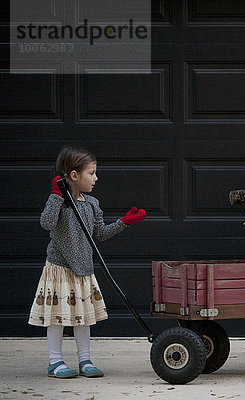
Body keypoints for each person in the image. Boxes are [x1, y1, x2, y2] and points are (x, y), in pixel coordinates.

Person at [28, 146, 146, 378]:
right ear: (74, 175)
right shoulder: (59, 202)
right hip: (59, 269)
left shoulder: (92, 203)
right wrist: (55, 195)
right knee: (57, 317)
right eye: (91, 173)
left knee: (82, 318)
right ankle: (55, 362)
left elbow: (99, 233)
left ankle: (85, 360)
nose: (96, 178)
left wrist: (124, 222)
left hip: (84, 269)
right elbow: (46, 223)